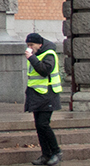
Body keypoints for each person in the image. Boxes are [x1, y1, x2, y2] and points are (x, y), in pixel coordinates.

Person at [24, 32, 63, 165]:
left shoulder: (49, 54)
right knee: (39, 126)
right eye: (28, 45)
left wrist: (32, 58)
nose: (30, 47)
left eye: (32, 45)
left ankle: (56, 152)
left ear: (39, 44)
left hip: (48, 95)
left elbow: (45, 70)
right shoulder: (37, 55)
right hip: (37, 95)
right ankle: (46, 154)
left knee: (43, 124)